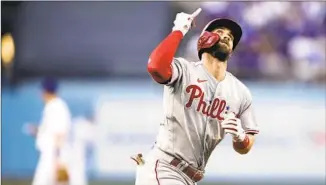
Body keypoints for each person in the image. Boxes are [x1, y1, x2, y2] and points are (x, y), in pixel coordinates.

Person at [134, 8, 259, 185]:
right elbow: (156, 67)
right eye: (219, 32)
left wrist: (241, 138)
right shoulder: (185, 70)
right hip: (164, 167)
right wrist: (178, 31)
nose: (226, 36)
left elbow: (246, 146)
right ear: (203, 40)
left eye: (230, 36)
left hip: (190, 178)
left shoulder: (240, 92)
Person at [25, 78, 72, 185]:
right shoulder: (52, 106)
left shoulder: (57, 106)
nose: (41, 94)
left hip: (53, 156)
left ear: (46, 91)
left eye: (42, 91)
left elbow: (60, 133)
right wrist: (38, 131)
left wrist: (59, 160)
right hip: (52, 155)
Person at [69, 110, 96, 185]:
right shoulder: (81, 123)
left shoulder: (86, 125)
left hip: (79, 152)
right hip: (74, 151)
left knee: (78, 172)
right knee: (77, 172)